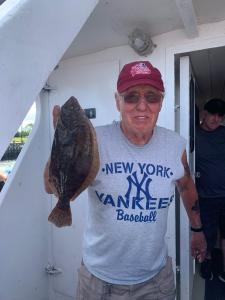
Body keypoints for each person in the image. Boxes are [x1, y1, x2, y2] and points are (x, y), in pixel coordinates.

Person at [45, 61, 206, 299]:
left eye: (151, 97)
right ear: (117, 101)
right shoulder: (95, 139)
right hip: (98, 281)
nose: (142, 106)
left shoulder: (175, 145)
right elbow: (49, 187)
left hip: (155, 280)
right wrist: (61, 144)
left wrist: (197, 229)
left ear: (161, 102)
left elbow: (185, 185)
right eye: (131, 97)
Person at [195, 98, 225, 283]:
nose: (216, 119)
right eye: (212, 114)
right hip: (205, 196)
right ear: (204, 114)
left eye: (220, 115)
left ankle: (222, 269)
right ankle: (207, 262)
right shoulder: (193, 134)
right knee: (207, 234)